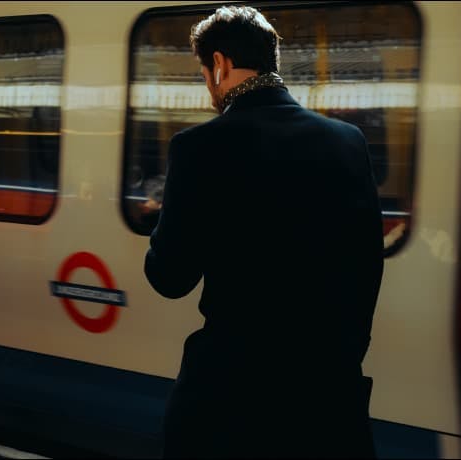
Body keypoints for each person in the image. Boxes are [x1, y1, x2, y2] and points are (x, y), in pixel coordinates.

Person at [143, 6, 383, 458]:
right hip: (328, 394)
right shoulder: (347, 141)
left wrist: (166, 217)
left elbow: (170, 278)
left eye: (204, 72)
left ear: (220, 65)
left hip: (231, 398)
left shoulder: (198, 148)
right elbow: (368, 264)